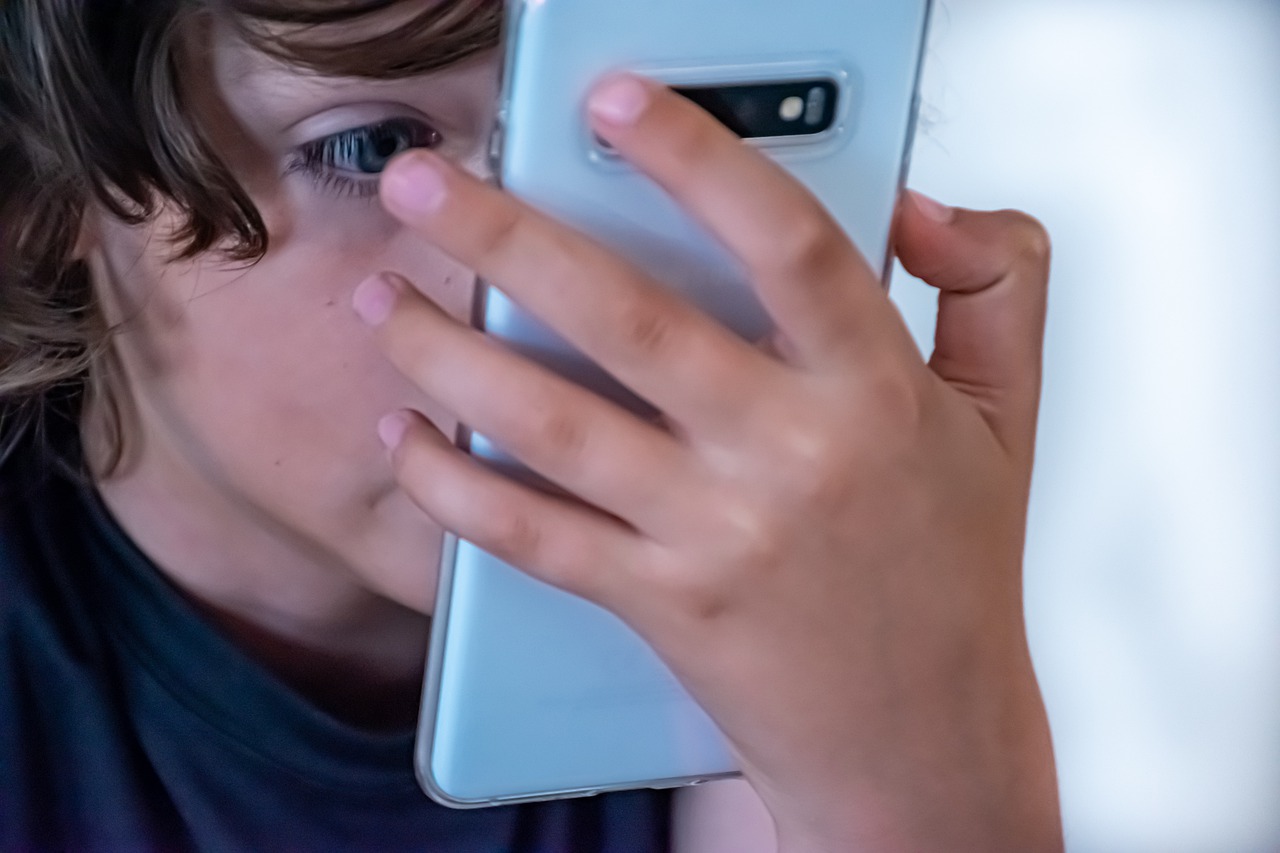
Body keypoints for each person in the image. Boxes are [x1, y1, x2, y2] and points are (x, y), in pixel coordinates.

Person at [0, 0, 1062, 850]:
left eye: (711, 117)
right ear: (46, 196)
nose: (555, 300)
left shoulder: (792, 600)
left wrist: (926, 775)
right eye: (374, 148)